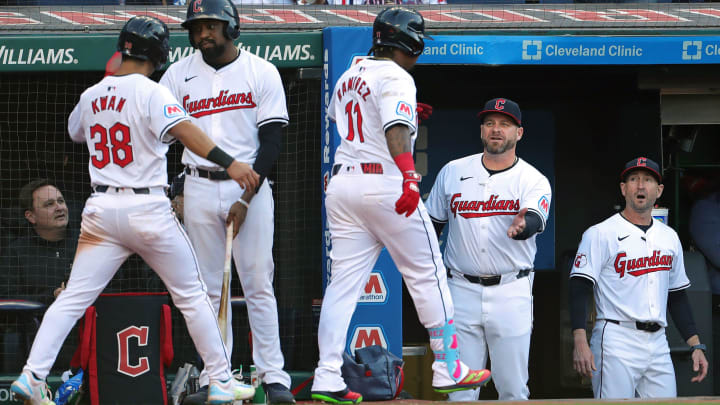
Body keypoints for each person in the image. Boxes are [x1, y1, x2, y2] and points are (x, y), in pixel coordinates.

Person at [10, 16, 258, 405]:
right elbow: (187, 132)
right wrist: (231, 163)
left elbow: (76, 131)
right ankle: (222, 380)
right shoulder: (152, 91)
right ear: (158, 54)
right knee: (192, 295)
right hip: (147, 207)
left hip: (102, 209)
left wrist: (109, 93)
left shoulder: (92, 94)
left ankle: (31, 375)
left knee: (74, 297)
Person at [311, 7, 491, 404]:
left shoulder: (349, 74)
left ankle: (326, 377)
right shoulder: (396, 75)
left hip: (344, 184)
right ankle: (448, 367)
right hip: (386, 183)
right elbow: (394, 130)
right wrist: (410, 174)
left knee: (342, 287)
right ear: (410, 42)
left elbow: (352, 123)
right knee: (428, 276)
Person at [159, 1, 294, 403]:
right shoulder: (177, 74)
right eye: (197, 27)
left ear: (232, 26)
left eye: (211, 26)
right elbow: (162, 137)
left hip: (250, 185)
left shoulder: (261, 71)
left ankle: (273, 376)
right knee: (206, 290)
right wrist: (176, 191)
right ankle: (217, 376)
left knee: (257, 283)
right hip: (199, 186)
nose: (204, 34)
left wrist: (247, 198)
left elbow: (272, 142)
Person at [425, 98, 552, 401]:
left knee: (512, 388)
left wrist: (524, 226)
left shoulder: (532, 179)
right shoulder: (453, 171)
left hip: (511, 290)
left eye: (505, 124)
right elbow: (431, 226)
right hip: (460, 289)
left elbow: (534, 218)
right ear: (482, 130)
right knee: (461, 391)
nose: (496, 129)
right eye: (490, 123)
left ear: (518, 133)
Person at [569, 157, 709, 399]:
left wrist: (695, 343)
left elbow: (676, 296)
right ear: (624, 189)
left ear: (659, 190)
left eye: (648, 180)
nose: (640, 186)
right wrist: (580, 339)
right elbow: (579, 286)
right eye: (633, 180)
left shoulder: (669, 237)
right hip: (615, 339)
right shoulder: (601, 233)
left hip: (658, 342)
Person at [0, 180, 74, 305]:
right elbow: (7, 299)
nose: (59, 208)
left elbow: (115, 286)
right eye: (49, 204)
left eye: (61, 201)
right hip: (37, 323)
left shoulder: (88, 242)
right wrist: (52, 296)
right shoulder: (16, 252)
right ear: (30, 216)